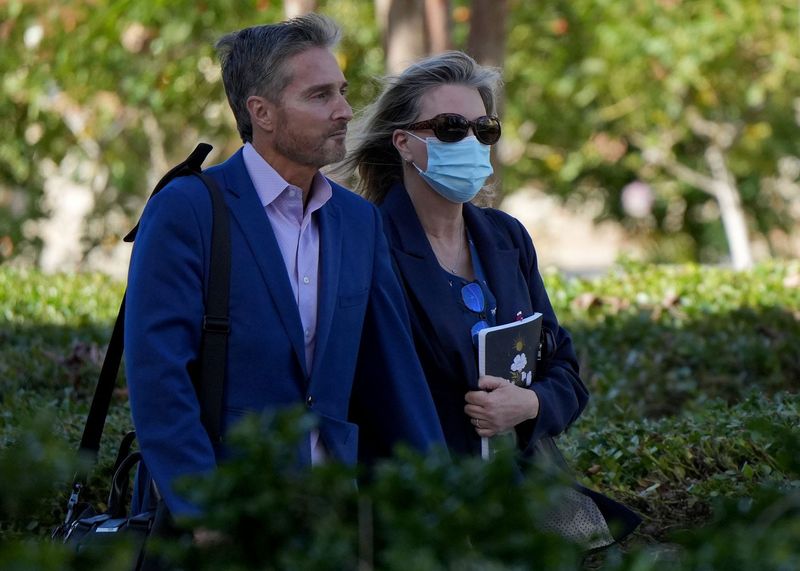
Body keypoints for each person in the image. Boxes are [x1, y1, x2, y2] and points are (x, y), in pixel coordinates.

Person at [124, 14, 445, 520]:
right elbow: (159, 378)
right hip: (227, 516)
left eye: (341, 91)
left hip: (330, 518)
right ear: (262, 113)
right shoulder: (187, 209)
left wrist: (444, 502)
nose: (344, 110)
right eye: (320, 96)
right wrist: (204, 512)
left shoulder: (359, 220)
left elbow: (392, 374)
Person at [338, 50, 640, 547]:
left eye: (485, 129)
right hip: (421, 510)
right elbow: (361, 390)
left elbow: (563, 366)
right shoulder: (366, 243)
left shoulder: (507, 237)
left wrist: (530, 404)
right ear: (404, 143)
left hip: (526, 500)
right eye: (452, 127)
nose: (473, 141)